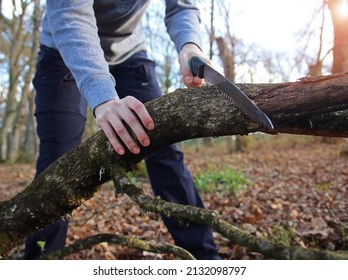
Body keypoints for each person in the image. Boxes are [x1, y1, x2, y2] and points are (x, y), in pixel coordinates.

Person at [24, 0, 221, 260]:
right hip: (65, 50)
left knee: (165, 150)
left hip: (129, 54)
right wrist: (103, 97)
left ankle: (204, 259)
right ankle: (40, 261)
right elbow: (70, 13)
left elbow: (181, 6)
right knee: (57, 160)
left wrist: (189, 44)